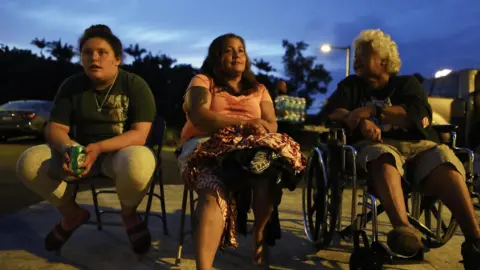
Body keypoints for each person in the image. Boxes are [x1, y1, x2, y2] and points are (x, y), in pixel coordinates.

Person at [323, 29, 479, 269]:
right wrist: (357, 119)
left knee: (444, 159)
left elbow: (417, 115)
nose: (356, 59)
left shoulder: (407, 84)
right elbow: (332, 111)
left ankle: (475, 241)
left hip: (418, 146)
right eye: (356, 54)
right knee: (382, 155)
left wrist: (374, 112)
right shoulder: (350, 86)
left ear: (384, 61)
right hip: (377, 148)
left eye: (363, 54)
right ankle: (403, 231)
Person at [16, 25, 157, 255]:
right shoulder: (72, 86)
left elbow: (139, 134)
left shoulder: (135, 85)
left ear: (117, 59)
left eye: (102, 52)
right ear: (81, 58)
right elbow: (55, 129)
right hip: (80, 153)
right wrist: (69, 149)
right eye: (87, 52)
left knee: (140, 163)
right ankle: (71, 214)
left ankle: (129, 214)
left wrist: (99, 148)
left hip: (118, 155)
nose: (94, 57)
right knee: (28, 163)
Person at [178, 33, 305, 269]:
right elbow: (198, 114)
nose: (237, 54)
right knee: (213, 190)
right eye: (229, 50)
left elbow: (271, 124)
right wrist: (242, 123)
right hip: (206, 146)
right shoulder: (203, 81)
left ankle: (259, 234)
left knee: (268, 171)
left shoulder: (259, 89)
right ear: (216, 57)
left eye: (241, 50)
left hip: (251, 149)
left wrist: (256, 128)